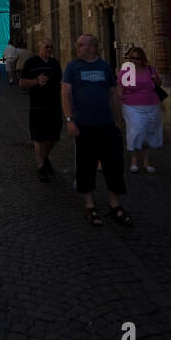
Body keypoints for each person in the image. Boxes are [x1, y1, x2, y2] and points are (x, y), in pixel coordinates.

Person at [61, 32, 132, 227]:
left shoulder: (104, 67)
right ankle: (89, 205)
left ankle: (115, 204)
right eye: (78, 45)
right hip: (84, 126)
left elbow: (113, 95)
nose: (78, 48)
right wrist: (69, 120)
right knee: (86, 165)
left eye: (81, 45)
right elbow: (66, 94)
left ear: (92, 47)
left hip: (106, 124)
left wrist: (119, 121)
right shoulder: (72, 67)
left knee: (114, 165)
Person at [19, 34, 63, 180]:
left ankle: (44, 158)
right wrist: (36, 81)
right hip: (38, 106)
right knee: (39, 137)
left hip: (54, 105)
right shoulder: (31, 63)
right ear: (40, 48)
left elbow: (61, 83)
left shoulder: (55, 64)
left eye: (51, 47)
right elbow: (22, 83)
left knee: (53, 137)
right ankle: (41, 166)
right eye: (47, 46)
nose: (49, 49)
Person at [119, 45, 165, 173]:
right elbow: (120, 87)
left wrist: (156, 80)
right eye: (132, 58)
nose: (135, 61)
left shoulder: (149, 69)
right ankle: (134, 160)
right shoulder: (126, 70)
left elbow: (159, 84)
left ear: (142, 59)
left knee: (149, 132)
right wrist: (118, 102)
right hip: (131, 105)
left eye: (138, 59)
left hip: (151, 105)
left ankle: (147, 161)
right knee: (136, 131)